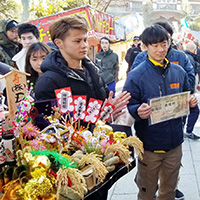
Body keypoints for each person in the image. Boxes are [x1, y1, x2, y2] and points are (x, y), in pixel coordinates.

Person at [123, 24, 197, 200]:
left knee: (169, 190)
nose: (161, 49)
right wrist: (136, 110)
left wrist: (191, 102)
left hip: (174, 143)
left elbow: (187, 96)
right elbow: (128, 104)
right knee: (147, 191)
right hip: (149, 145)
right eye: (155, 45)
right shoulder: (136, 75)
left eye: (164, 44)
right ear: (144, 47)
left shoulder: (179, 72)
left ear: (169, 43)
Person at [35, 17, 130, 125]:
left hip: (101, 138)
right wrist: (97, 123)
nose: (84, 45)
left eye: (85, 40)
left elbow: (102, 109)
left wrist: (107, 112)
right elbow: (48, 126)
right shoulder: (49, 81)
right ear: (59, 43)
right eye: (77, 41)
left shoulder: (94, 71)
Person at [184, 42, 200, 139]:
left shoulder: (185, 57)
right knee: (194, 111)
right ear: (194, 50)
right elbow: (190, 77)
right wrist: (191, 92)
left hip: (186, 91)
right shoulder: (189, 59)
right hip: (188, 92)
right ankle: (188, 131)